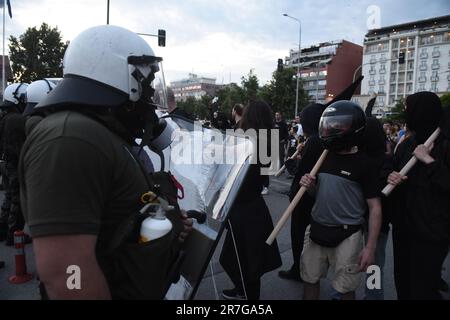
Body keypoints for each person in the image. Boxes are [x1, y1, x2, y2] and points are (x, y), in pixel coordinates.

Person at [19, 25, 192, 300]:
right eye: (146, 85)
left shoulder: (97, 132)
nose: (149, 96)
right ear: (123, 76)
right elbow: (66, 273)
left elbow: (118, 217)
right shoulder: (71, 138)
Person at [299, 101, 382, 300]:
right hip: (317, 228)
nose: (332, 128)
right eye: (330, 124)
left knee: (345, 288)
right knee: (309, 280)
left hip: (348, 234)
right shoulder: (323, 156)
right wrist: (310, 186)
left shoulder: (365, 164)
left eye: (339, 124)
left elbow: (375, 208)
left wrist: (370, 248)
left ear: (353, 128)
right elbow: (318, 194)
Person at [386, 92, 449, 300]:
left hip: (432, 232)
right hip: (404, 228)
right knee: (403, 282)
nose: (406, 113)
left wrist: (429, 161)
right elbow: (392, 172)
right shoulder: (406, 144)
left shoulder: (445, 144)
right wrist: (392, 177)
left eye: (409, 108)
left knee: (423, 289)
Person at [220, 100, 282, 300]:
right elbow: (266, 177)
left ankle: (247, 295)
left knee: (238, 259)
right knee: (249, 260)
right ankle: (243, 291)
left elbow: (227, 171)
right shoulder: (269, 140)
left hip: (242, 207)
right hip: (255, 206)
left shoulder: (242, 139)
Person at [278, 103, 325, 281]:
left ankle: (300, 270)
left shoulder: (313, 141)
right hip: (310, 196)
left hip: (303, 197)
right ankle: (303, 268)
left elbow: (301, 170)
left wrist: (291, 162)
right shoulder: (317, 139)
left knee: (299, 235)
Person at [0, 82, 28, 244]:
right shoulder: (18, 120)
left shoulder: (6, 118)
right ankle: (14, 233)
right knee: (17, 198)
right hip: (13, 163)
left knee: (9, 197)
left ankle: (4, 228)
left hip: (5, 162)